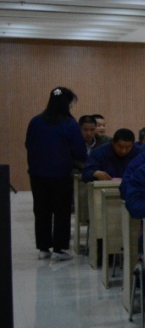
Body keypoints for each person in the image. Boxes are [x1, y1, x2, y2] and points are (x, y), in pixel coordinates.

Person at [26, 86, 88, 260]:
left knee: (41, 210)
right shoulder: (69, 124)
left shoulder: (35, 121)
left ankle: (43, 248)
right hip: (61, 174)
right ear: (66, 104)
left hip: (37, 174)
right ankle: (59, 249)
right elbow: (79, 151)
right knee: (62, 211)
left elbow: (28, 145)